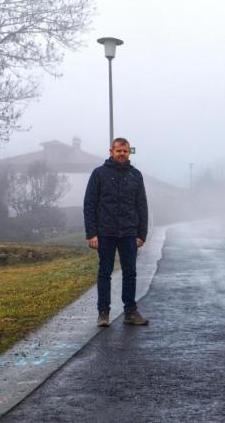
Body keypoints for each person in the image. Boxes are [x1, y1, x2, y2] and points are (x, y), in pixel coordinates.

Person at [84, 137, 149, 327]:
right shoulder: (99, 174)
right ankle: (103, 313)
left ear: (129, 152)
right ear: (111, 151)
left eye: (125, 151)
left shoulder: (136, 175)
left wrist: (141, 234)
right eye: (119, 151)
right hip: (105, 233)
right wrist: (91, 233)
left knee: (130, 272)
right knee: (105, 272)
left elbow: (141, 206)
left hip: (129, 233)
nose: (122, 154)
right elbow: (90, 204)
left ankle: (130, 312)